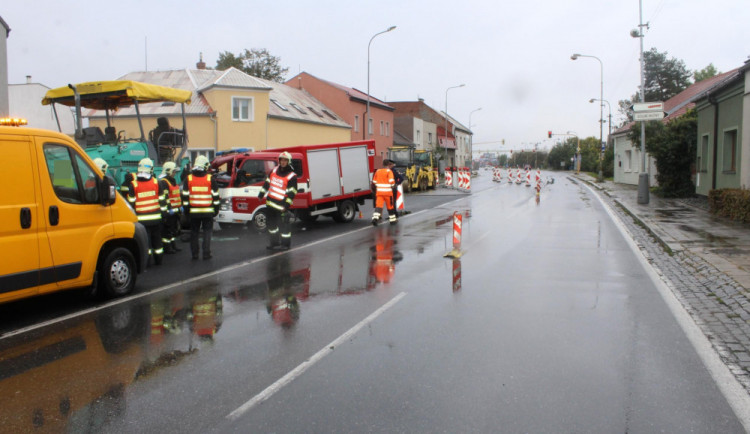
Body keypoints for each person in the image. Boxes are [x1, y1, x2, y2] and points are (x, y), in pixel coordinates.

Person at [127, 158, 169, 265]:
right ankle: (159, 260)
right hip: (155, 219)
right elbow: (162, 202)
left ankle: (147, 261)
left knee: (146, 242)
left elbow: (131, 204)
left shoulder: (133, 185)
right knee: (157, 240)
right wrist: (164, 215)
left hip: (141, 220)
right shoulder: (156, 183)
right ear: (151, 169)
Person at [258, 151, 298, 251]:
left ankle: (286, 244)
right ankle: (274, 243)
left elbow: (292, 193)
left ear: (289, 162)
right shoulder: (274, 170)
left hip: (281, 207)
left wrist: (287, 206)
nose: (283, 162)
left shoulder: (292, 176)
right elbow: (267, 183)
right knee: (271, 226)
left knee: (284, 227)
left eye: (285, 160)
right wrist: (261, 194)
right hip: (270, 204)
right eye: (281, 160)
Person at [182, 155, 220, 260]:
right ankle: (206, 253)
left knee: (194, 233)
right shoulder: (210, 179)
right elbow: (216, 197)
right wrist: (216, 210)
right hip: (208, 212)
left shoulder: (188, 179)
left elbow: (185, 198)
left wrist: (186, 211)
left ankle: (194, 254)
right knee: (207, 233)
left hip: (193, 212)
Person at [160, 161, 182, 254]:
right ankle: (167, 248)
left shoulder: (172, 181)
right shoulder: (164, 182)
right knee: (167, 230)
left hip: (175, 210)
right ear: (168, 171)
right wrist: (169, 209)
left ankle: (173, 245)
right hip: (169, 211)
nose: (175, 173)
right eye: (173, 171)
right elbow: (165, 197)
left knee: (173, 229)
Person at [371, 159, 397, 226]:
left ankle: (375, 219)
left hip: (379, 193)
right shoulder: (389, 171)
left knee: (378, 206)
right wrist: (393, 186)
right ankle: (392, 220)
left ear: (382, 164)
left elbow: (374, 182)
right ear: (388, 164)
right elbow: (391, 181)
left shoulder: (378, 171)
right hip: (388, 193)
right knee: (390, 206)